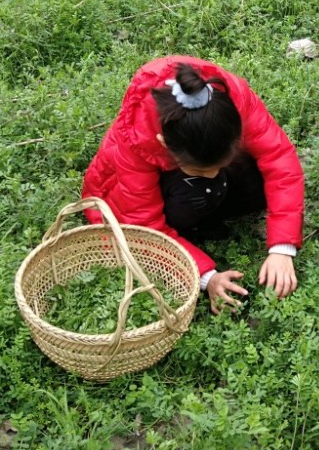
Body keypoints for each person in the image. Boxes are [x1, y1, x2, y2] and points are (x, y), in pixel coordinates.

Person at [82, 56, 304, 314]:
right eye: (200, 169)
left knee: (255, 181)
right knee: (195, 192)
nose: (212, 175)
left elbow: (279, 159)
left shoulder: (234, 100)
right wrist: (206, 277)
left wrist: (282, 248)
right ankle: (192, 220)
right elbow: (143, 226)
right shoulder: (134, 143)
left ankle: (204, 201)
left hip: (187, 171)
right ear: (164, 145)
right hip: (143, 195)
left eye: (221, 164)